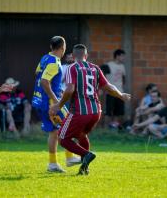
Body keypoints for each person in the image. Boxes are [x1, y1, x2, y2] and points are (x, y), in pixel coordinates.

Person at [49, 44, 131, 175]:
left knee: (63, 139)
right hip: (95, 112)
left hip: (80, 111)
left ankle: (87, 154)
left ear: (73, 56)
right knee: (82, 135)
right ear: (86, 56)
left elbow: (70, 90)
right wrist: (121, 95)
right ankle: (84, 168)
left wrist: (58, 105)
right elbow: (108, 86)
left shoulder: (72, 68)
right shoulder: (95, 68)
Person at [32, 36, 80, 173]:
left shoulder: (45, 58)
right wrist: (56, 101)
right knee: (68, 125)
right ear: (62, 48)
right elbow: (44, 81)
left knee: (54, 131)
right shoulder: (54, 61)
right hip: (50, 103)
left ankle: (53, 164)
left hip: (39, 100)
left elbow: (38, 74)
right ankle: (69, 158)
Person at [104, 49, 126, 129]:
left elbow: (123, 78)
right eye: (122, 56)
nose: (124, 58)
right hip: (111, 92)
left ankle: (114, 128)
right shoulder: (108, 65)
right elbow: (102, 77)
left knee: (118, 111)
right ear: (117, 56)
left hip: (120, 92)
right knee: (108, 111)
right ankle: (106, 128)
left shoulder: (122, 66)